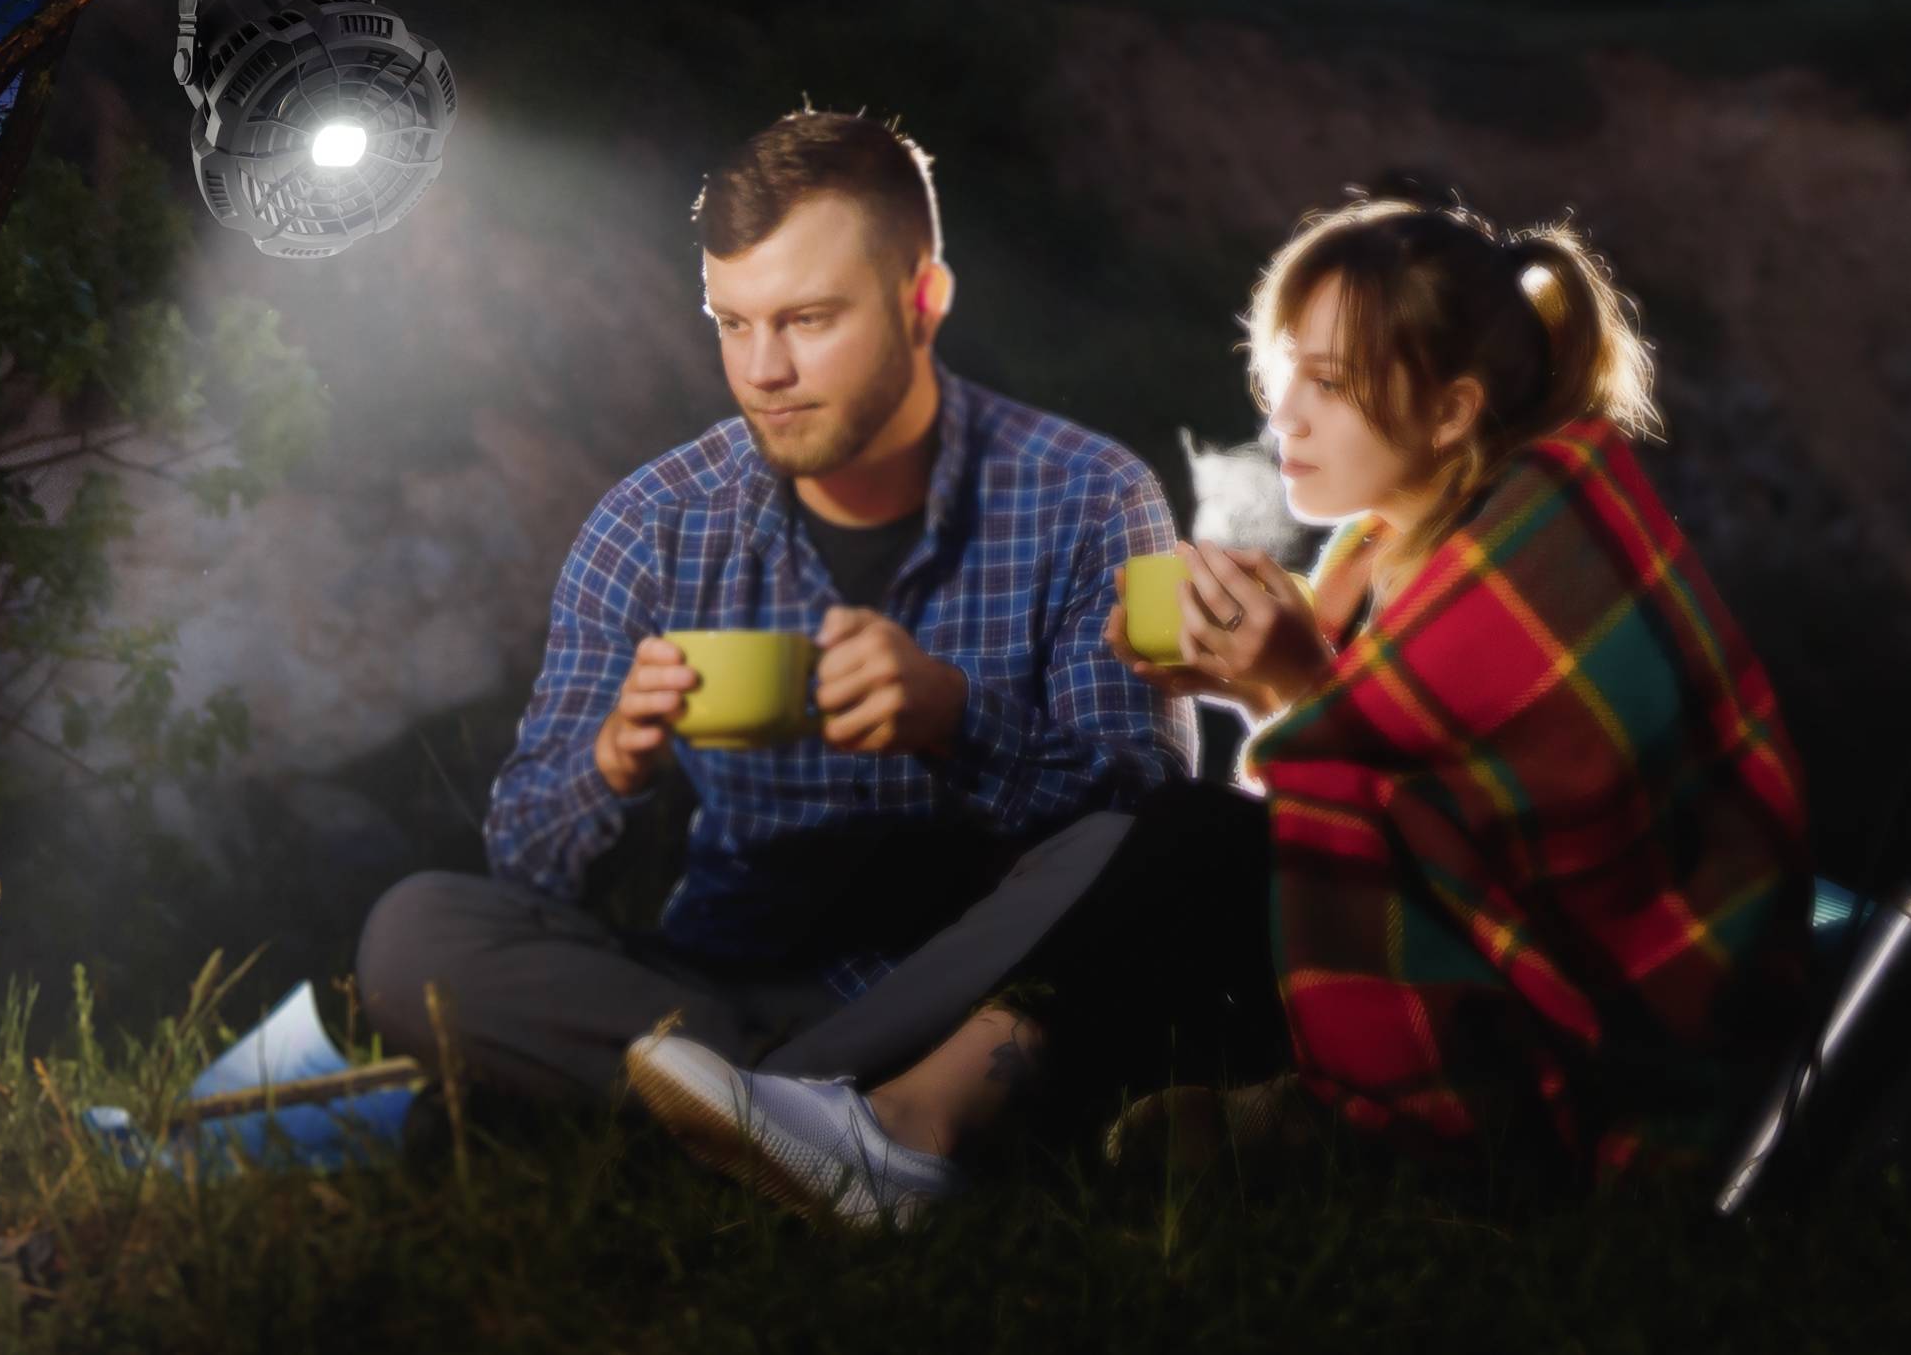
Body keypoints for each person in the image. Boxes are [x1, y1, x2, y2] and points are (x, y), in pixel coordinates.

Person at [625, 191, 1814, 1228]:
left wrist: (1289, 695)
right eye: (1278, 372)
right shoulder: (1382, 554)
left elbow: (1517, 863)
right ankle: (898, 1113)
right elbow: (1381, 821)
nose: (1285, 415)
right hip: (1471, 978)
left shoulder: (1549, 541)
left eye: (1331, 385)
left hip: (1591, 1047)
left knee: (1198, 843)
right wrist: (1269, 697)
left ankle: (901, 1132)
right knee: (1159, 854)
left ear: (1451, 412)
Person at [352, 109, 1199, 1112]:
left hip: (963, 993)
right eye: (733, 324)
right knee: (416, 931)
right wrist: (614, 759)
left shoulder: (1089, 496)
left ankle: (701, 1105)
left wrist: (955, 721)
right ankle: (800, 1108)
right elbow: (526, 855)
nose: (763, 373)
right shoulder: (652, 522)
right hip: (709, 980)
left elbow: (1147, 817)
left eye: (807, 320)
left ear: (922, 301)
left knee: (1140, 852)